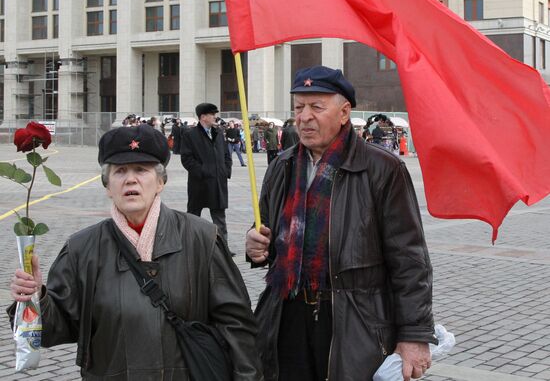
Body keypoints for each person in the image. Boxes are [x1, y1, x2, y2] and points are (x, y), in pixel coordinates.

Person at [9, 124, 262, 380]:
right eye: (120, 171)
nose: (131, 179)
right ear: (108, 186)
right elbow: (53, 329)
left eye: (141, 169)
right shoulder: (81, 249)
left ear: (160, 181)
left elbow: (237, 326)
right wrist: (35, 298)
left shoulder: (202, 238)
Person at [245, 65, 435, 381]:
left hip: (353, 320)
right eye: (298, 107)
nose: (304, 116)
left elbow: (410, 259)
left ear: (344, 112)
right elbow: (264, 228)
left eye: (316, 107)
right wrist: (254, 242)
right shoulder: (283, 164)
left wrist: (414, 335)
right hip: (286, 315)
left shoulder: (381, 169)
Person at [180, 103, 233, 251]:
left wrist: (225, 170)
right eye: (212, 114)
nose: (215, 117)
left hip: (218, 182)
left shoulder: (218, 132)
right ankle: (190, 246)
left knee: (219, 217)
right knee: (194, 215)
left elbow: (226, 154)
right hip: (200, 183)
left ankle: (223, 248)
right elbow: (186, 159)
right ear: (203, 117)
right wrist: (203, 171)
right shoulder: (190, 135)